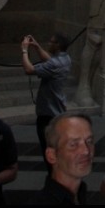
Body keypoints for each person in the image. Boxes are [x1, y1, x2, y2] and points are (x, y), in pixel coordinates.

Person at [21, 31, 71, 167]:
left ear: (58, 45)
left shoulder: (55, 64)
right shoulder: (66, 58)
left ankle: (55, 180)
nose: (48, 43)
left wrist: (25, 50)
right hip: (58, 111)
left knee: (49, 153)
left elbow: (29, 69)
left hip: (48, 115)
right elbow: (49, 60)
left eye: (51, 41)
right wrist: (36, 46)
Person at [31, 111, 95, 205]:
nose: (86, 151)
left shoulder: (79, 194)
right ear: (51, 155)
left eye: (89, 141)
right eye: (73, 144)